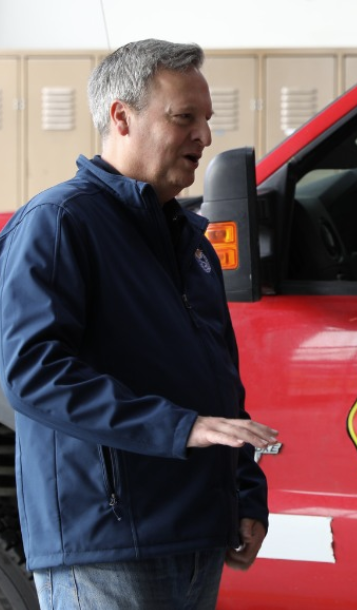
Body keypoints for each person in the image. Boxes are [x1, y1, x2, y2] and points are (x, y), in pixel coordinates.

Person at [0, 39, 278, 610]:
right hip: (105, 543)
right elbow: (33, 373)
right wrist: (180, 428)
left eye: (206, 120)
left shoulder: (190, 239)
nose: (204, 136)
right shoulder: (59, 223)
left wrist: (244, 494)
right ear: (121, 117)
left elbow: (217, 380)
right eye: (185, 118)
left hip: (193, 531)